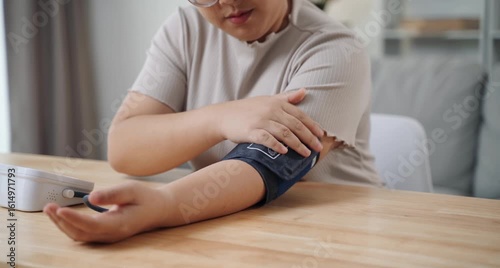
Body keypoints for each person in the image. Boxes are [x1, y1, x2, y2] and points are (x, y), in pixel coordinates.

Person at [44, 0, 382, 243]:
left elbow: (269, 165)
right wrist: (219, 118)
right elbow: (124, 146)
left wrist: (164, 205)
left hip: (332, 235)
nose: (228, 2)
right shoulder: (185, 28)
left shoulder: (336, 48)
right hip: (231, 225)